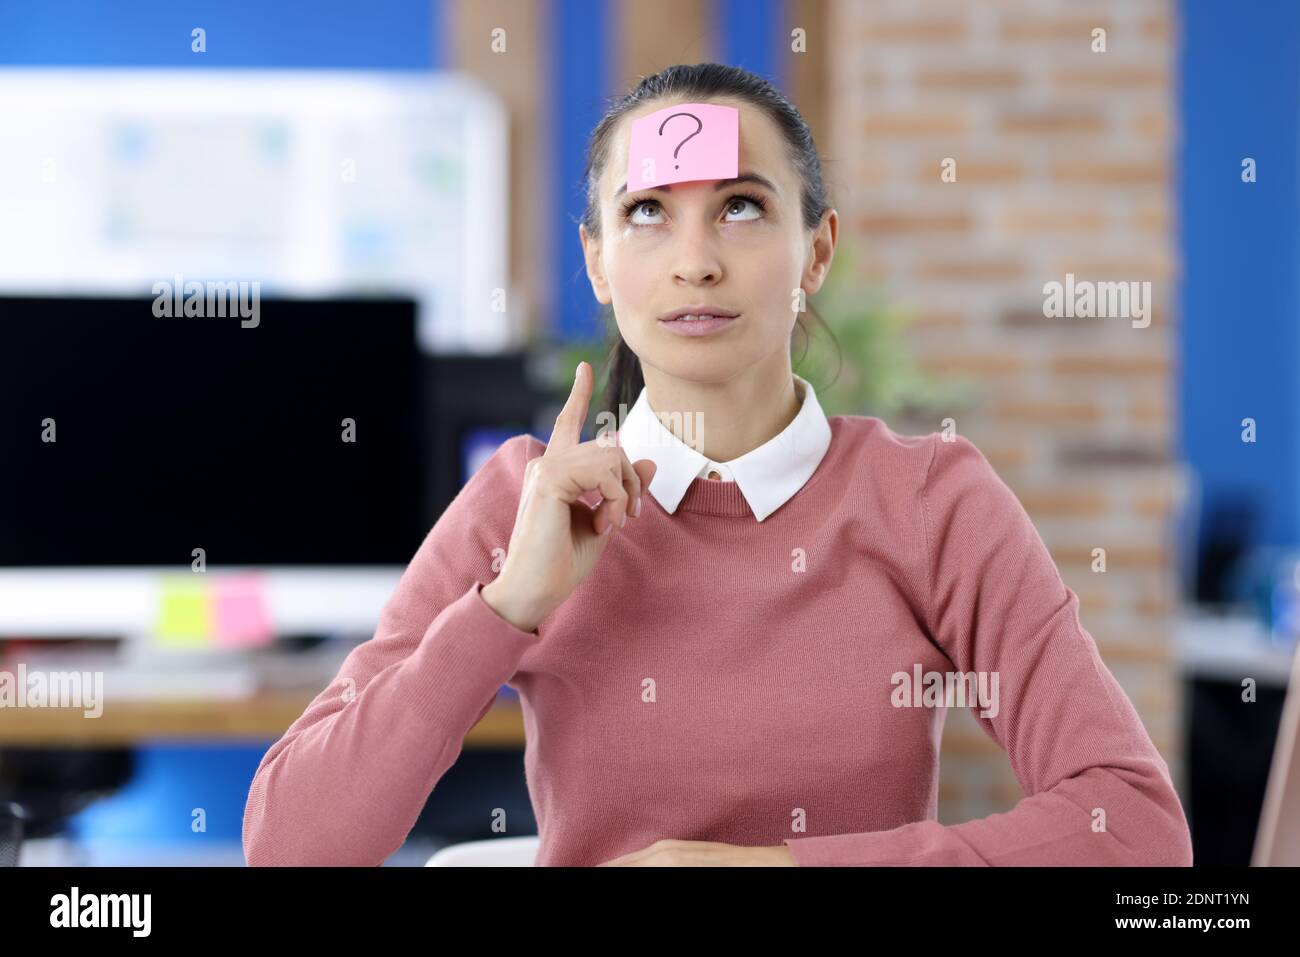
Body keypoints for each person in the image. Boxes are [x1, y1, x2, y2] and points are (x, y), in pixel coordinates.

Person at [242, 62, 1193, 867]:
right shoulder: (525, 500)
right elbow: (290, 844)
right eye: (648, 212)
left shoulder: (931, 498)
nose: (694, 261)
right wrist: (503, 611)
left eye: (740, 207)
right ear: (600, 264)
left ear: (815, 250)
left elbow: (1136, 828)